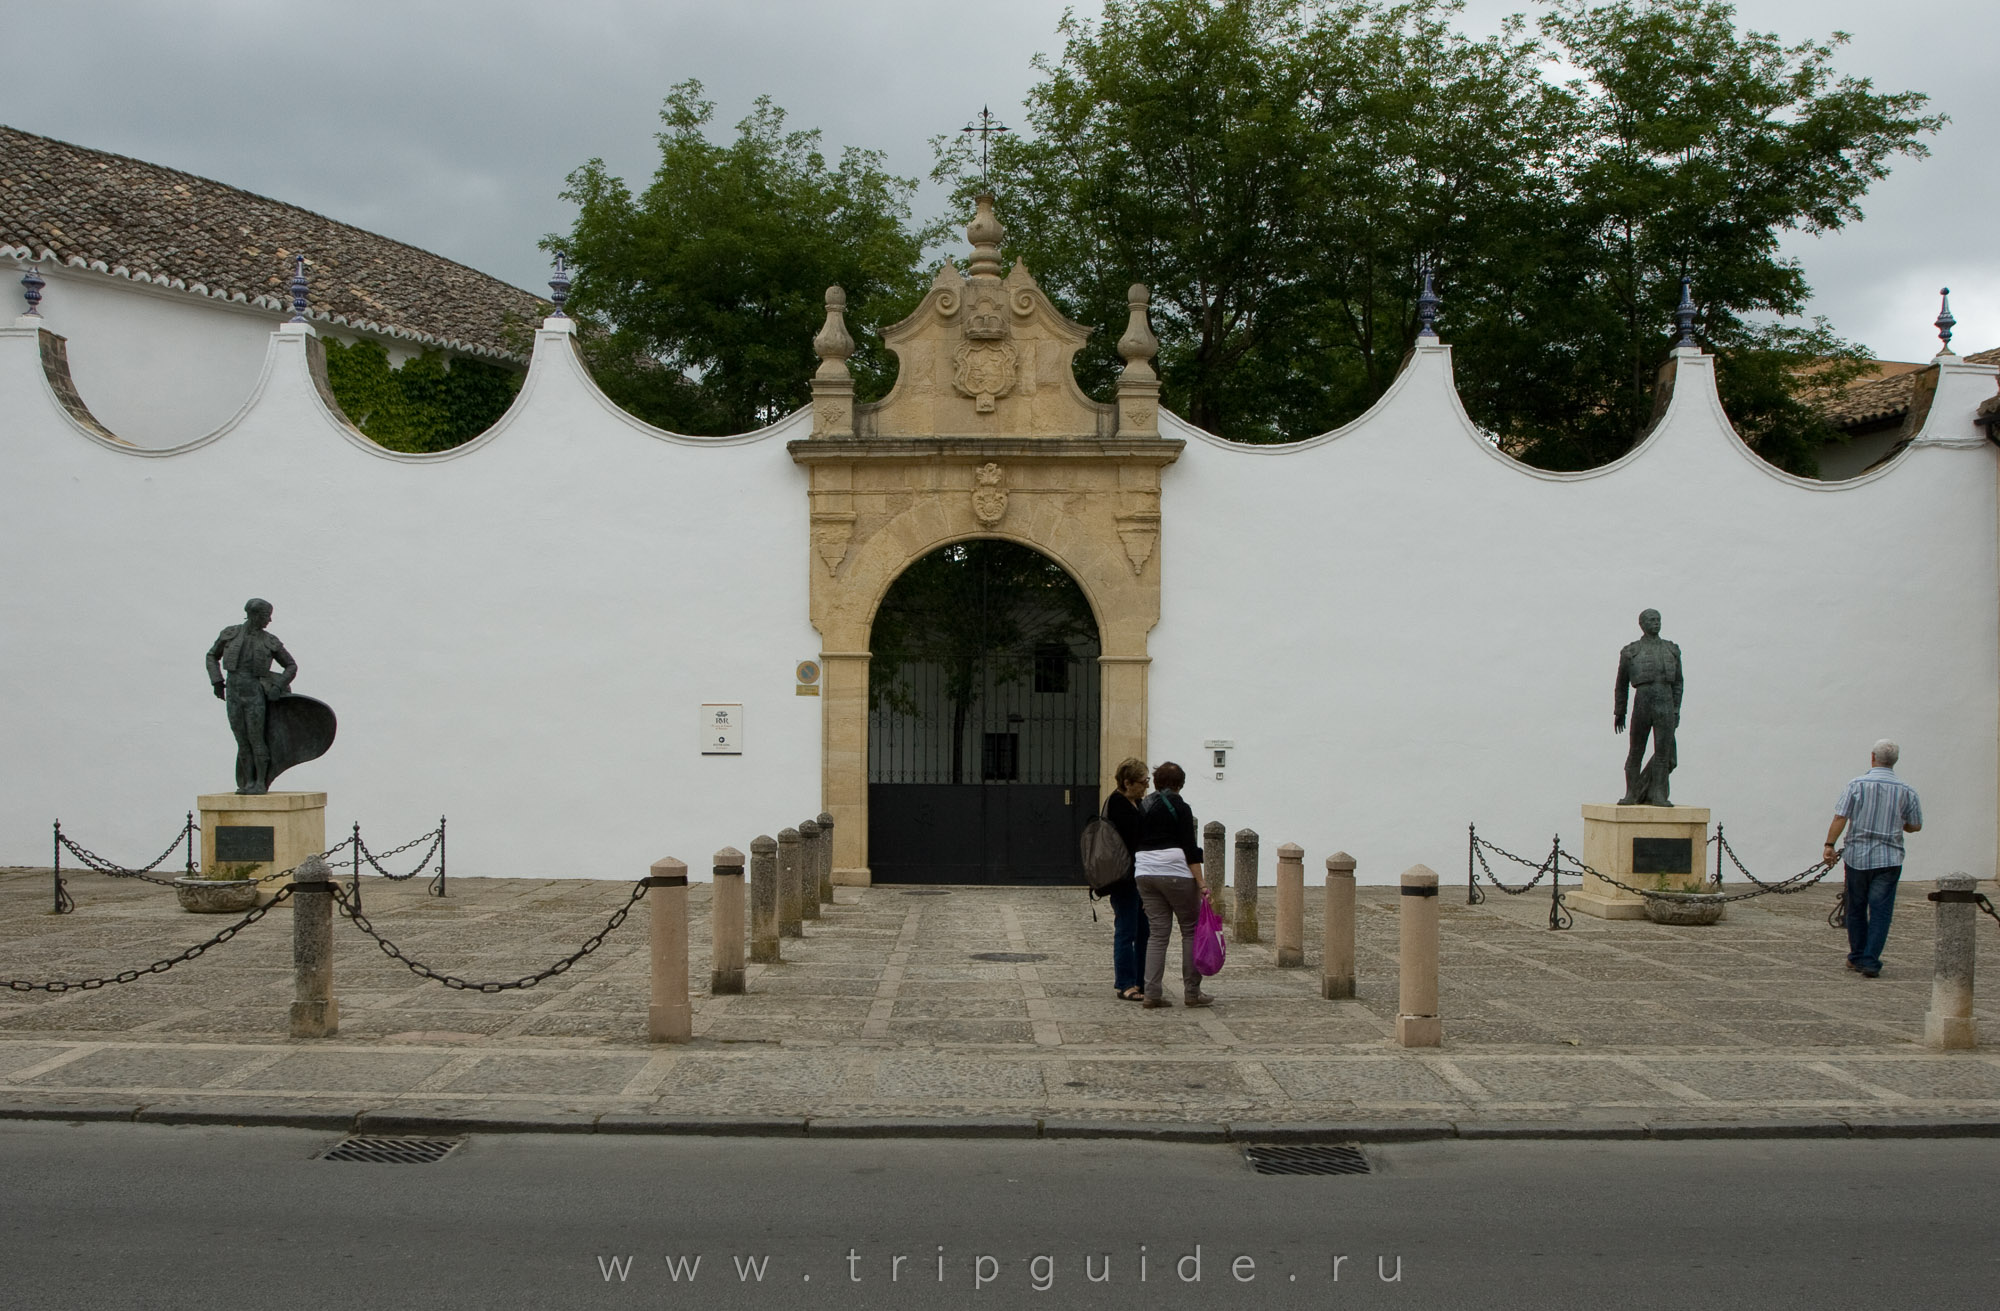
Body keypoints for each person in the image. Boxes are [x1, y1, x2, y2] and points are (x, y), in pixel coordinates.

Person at [1823, 739, 1923, 978]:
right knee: (1881, 911)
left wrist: (1829, 845)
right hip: (1889, 858)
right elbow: (1915, 825)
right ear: (1894, 761)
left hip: (1857, 856)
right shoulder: (1906, 790)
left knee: (1856, 907)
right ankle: (1870, 959)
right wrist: (1900, 824)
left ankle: (1856, 955)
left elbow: (1841, 817)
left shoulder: (1856, 785)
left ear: (1872, 757)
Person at [1132, 761, 1215, 1009]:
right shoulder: (1181, 807)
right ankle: (1192, 992)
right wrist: (1201, 883)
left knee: (1157, 935)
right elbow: (1190, 848)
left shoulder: (1143, 805)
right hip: (1175, 871)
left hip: (1144, 870)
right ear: (1180, 784)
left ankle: (1152, 993)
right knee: (1190, 930)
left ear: (1156, 782)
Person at [205, 598, 296, 795]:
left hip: (255, 691)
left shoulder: (270, 641)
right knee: (242, 739)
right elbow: (212, 655)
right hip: (234, 691)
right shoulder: (231, 634)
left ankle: (260, 782)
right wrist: (217, 681)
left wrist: (278, 686)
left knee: (256, 738)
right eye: (266, 616)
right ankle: (247, 782)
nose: (269, 620)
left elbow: (291, 665)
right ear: (254, 615)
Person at [1614, 608, 1683, 805]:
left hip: (1665, 702)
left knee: (1663, 753)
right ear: (1642, 624)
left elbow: (1678, 683)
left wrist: (1676, 709)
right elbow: (1621, 684)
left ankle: (1658, 794)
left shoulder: (1671, 650)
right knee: (1636, 751)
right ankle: (1631, 794)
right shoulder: (1631, 651)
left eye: (1658, 619)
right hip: (1643, 702)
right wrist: (1620, 711)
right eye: (1652, 620)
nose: (1656, 623)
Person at [1100, 758, 1152, 1001]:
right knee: (1126, 931)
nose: (1147, 786)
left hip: (1138, 877)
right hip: (1124, 879)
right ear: (1128, 782)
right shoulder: (1119, 805)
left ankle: (1140, 981)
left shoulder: (1136, 802)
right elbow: (1131, 844)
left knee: (1143, 930)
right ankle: (1125, 983)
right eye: (1143, 782)